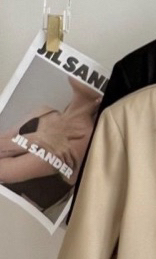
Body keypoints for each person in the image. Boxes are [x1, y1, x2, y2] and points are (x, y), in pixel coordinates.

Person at [0, 77, 102, 213]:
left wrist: (17, 143)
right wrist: (34, 139)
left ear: (100, 98)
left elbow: (4, 172)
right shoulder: (45, 111)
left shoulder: (82, 138)